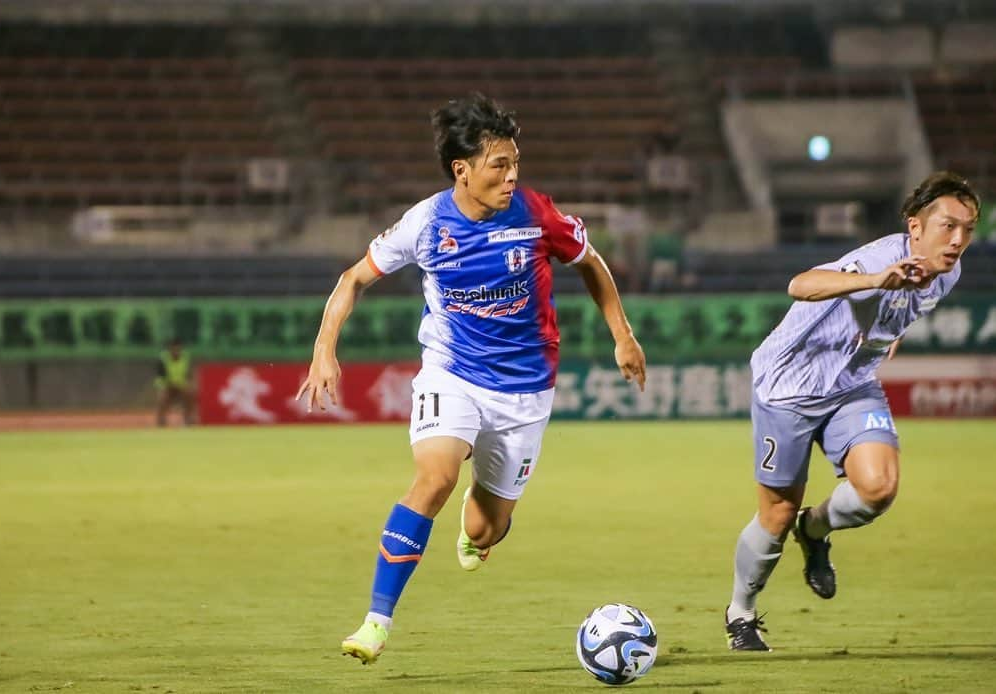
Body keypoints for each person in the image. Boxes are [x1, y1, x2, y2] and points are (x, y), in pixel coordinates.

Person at [296, 93, 647, 665]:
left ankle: (476, 530)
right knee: (433, 478)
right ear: (463, 170)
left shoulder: (536, 213)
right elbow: (353, 278)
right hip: (452, 374)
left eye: (515, 164)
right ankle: (375, 624)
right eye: (498, 166)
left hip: (527, 390)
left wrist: (623, 334)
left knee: (487, 528)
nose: (511, 177)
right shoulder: (426, 223)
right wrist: (323, 349)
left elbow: (590, 262)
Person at [724, 171, 979, 651]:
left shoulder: (949, 271)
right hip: (788, 389)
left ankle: (814, 529)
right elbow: (799, 284)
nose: (959, 240)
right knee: (774, 513)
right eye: (948, 226)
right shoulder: (878, 261)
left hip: (851, 385)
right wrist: (873, 280)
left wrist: (888, 333)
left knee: (878, 489)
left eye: (968, 228)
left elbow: (900, 309)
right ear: (915, 228)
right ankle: (741, 612)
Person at [155, 338, 196, 426]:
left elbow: (189, 375)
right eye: (174, 349)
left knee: (190, 392)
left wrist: (189, 384)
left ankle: (188, 419)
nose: (176, 351)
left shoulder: (186, 358)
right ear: (169, 349)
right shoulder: (163, 359)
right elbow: (159, 378)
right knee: (162, 396)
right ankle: (161, 421)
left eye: (178, 349)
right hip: (168, 386)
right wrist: (167, 385)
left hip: (181, 386)